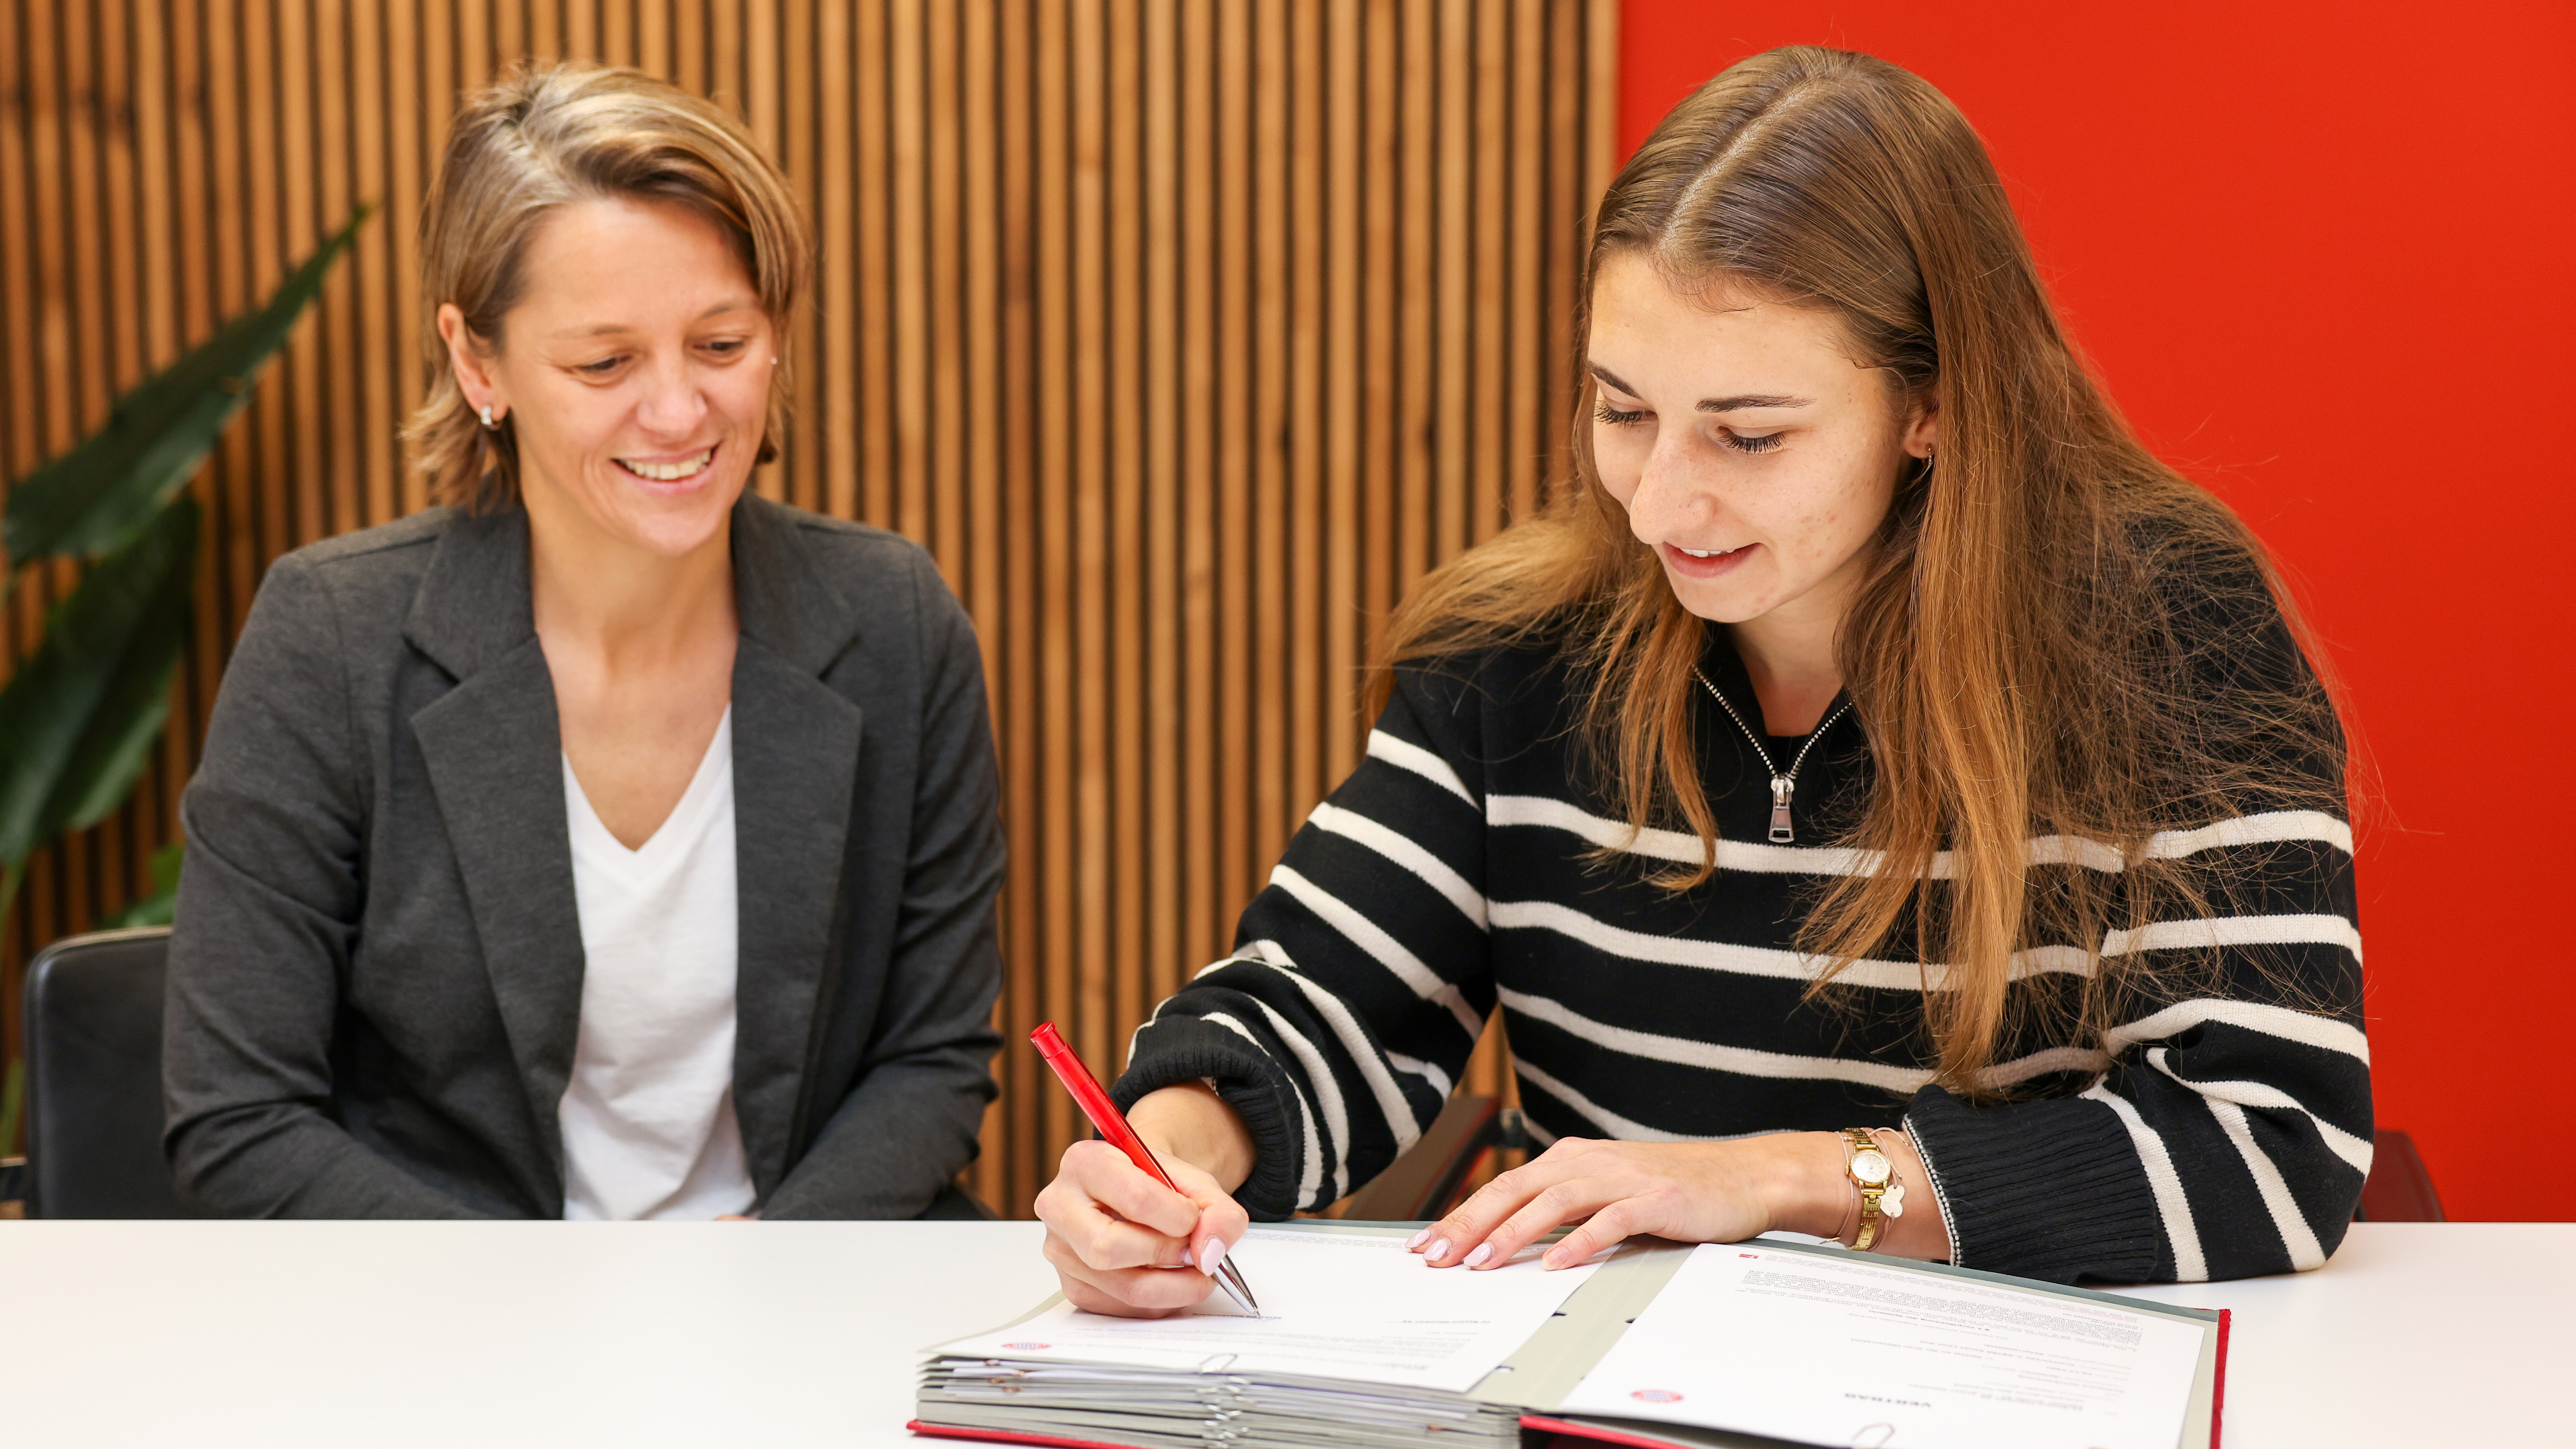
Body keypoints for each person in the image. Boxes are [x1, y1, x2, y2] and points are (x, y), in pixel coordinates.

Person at [1038, 45, 2366, 1308]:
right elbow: (1324, 1004)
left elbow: (2274, 1138)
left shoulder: (2162, 629)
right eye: (1623, 410)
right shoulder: (1516, 647)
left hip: (1983, 1379)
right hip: (1600, 1378)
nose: (1661, 501)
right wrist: (1169, 1158)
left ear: (1934, 404)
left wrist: (1786, 1180)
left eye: (1747, 433)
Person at [163, 62, 1004, 1220]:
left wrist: (755, 1294)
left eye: (720, 344)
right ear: (477, 363)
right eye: (603, 363)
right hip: (454, 1332)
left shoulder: (892, 622)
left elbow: (933, 1061)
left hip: (799, 1314)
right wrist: (551, 1324)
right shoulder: (333, 638)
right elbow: (238, 1118)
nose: (676, 413)